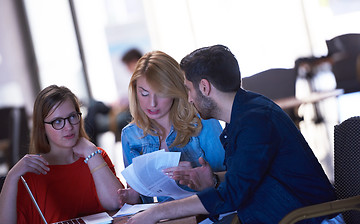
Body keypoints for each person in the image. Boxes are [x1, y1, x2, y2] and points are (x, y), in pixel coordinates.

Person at [125, 45, 338, 224]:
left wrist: (156, 213)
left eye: (189, 90)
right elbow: (247, 177)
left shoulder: (255, 122)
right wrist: (214, 179)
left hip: (308, 218)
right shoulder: (244, 115)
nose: (188, 99)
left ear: (205, 87)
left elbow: (232, 195)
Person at [0, 85, 124, 224]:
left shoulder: (96, 155)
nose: (69, 127)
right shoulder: (31, 172)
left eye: (72, 117)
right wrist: (11, 176)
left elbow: (117, 203)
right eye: (58, 121)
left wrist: (91, 153)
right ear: (42, 127)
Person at [118, 50, 225, 205]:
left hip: (210, 212)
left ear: (175, 90)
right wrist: (132, 197)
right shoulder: (131, 135)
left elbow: (233, 178)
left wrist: (206, 178)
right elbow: (142, 201)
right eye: (144, 94)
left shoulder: (203, 120)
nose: (152, 103)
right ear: (135, 92)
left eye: (161, 94)